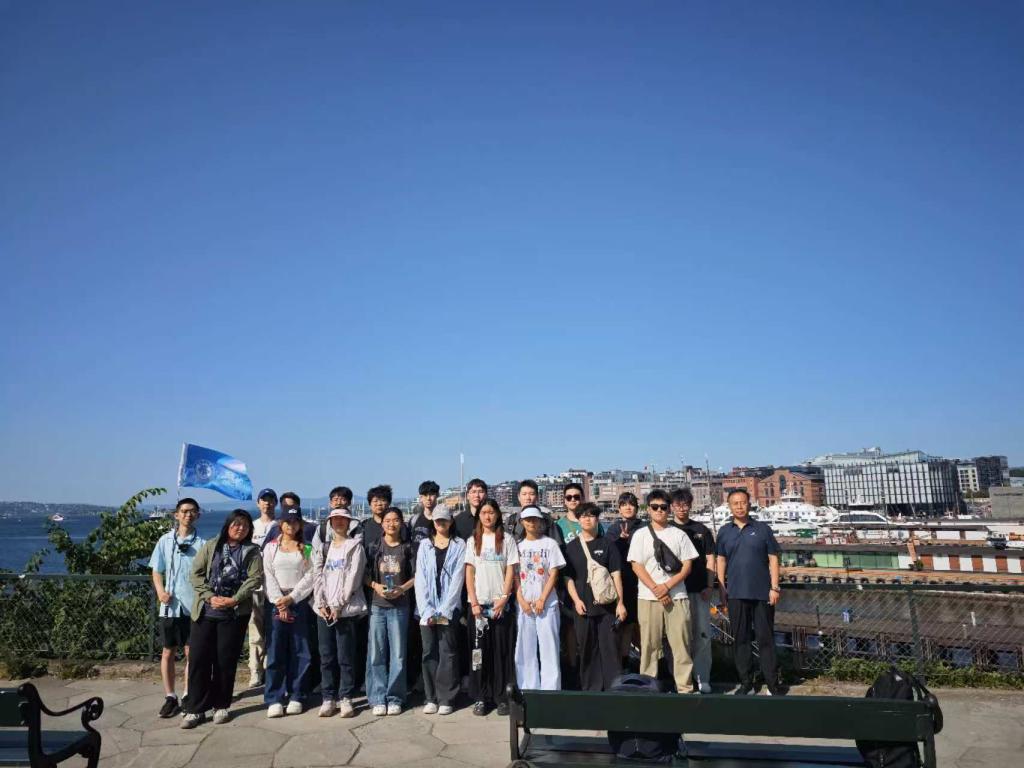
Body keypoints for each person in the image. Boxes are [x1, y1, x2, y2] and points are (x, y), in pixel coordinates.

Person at [181, 510, 263, 729]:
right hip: (205, 612)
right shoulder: (211, 546)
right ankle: (195, 709)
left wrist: (234, 599)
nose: (240, 528)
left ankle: (221, 705)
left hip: (234, 614)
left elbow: (255, 578)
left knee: (225, 661)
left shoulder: (252, 551)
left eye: (245, 525)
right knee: (198, 660)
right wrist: (210, 596)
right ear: (228, 525)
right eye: (236, 524)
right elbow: (196, 573)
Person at [627, 490, 699, 694]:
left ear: (669, 509)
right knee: (649, 645)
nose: (659, 510)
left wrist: (666, 586)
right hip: (648, 597)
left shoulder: (679, 534)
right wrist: (656, 588)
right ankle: (647, 686)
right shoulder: (640, 535)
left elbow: (687, 566)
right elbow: (636, 565)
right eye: (655, 507)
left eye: (663, 507)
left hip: (677, 596)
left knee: (681, 644)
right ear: (648, 510)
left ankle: (685, 687)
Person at [716, 488, 784, 696]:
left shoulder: (762, 529)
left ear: (749, 504)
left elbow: (773, 558)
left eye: (743, 502)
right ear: (729, 506)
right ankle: (746, 681)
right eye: (735, 503)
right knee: (741, 639)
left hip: (762, 592)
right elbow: (721, 560)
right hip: (736, 593)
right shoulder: (724, 531)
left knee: (766, 638)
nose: (739, 506)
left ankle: (772, 682)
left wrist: (774, 587)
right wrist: (721, 588)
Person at [149, 497, 205, 718]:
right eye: (184, 511)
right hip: (170, 606)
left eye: (192, 511)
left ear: (198, 515)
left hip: (193, 605)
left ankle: (188, 694)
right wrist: (160, 592)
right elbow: (156, 570)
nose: (187, 515)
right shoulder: (165, 541)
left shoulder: (202, 544)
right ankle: (170, 696)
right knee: (168, 651)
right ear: (176, 514)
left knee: (192, 652)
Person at [563, 502, 627, 691]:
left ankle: (613, 688)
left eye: (591, 516)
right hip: (583, 606)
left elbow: (616, 575)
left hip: (607, 607)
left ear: (597, 519)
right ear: (578, 520)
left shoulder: (608, 545)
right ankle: (590, 688)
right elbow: (568, 577)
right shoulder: (571, 547)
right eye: (583, 516)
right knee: (587, 648)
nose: (587, 519)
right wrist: (576, 601)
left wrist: (620, 603)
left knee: (610, 648)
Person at [464, 498, 517, 716]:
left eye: (491, 512)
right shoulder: (472, 540)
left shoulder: (507, 540)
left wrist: (504, 597)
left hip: (500, 606)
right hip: (479, 606)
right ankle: (480, 696)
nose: (488, 516)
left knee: (501, 652)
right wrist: (474, 602)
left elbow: (510, 570)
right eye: (484, 512)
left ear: (497, 515)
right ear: (479, 516)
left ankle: (501, 697)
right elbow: (469, 573)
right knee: (479, 654)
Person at [313, 506, 367, 718]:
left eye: (343, 519)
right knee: (326, 656)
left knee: (346, 656)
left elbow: (354, 578)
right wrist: (321, 603)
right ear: (329, 523)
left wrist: (338, 605)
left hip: (345, 611)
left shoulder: (355, 547)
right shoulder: (324, 548)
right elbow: (317, 575)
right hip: (324, 611)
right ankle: (328, 697)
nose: (339, 522)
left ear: (349, 522)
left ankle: (346, 696)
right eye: (334, 519)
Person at [262, 509, 315, 717]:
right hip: (275, 602)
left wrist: (292, 598)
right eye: (287, 521)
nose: (291, 526)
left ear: (300, 524)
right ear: (280, 523)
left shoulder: (307, 548)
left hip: (299, 601)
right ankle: (274, 697)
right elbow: (267, 574)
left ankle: (297, 695)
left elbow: (311, 575)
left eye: (295, 522)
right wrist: (280, 602)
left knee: (300, 650)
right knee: (275, 650)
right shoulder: (270, 547)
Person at [414, 507, 466, 715]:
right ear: (433, 522)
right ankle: (431, 697)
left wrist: (444, 609)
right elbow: (420, 578)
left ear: (451, 521)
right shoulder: (425, 545)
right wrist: (427, 609)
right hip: (426, 608)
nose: (441, 524)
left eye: (444, 520)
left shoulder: (459, 545)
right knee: (429, 652)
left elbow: (458, 578)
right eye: (437, 521)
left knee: (448, 652)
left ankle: (447, 697)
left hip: (449, 608)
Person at [365, 506, 416, 715]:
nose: (391, 524)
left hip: (400, 607)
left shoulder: (408, 548)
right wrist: (376, 586)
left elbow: (416, 575)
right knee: (376, 653)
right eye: (387, 520)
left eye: (395, 520)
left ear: (401, 522)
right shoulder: (374, 547)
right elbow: (365, 575)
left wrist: (402, 589)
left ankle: (395, 697)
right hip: (378, 606)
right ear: (382, 523)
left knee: (398, 654)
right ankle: (378, 697)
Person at [670, 488, 717, 693]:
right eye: (678, 505)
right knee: (678, 637)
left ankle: (703, 677)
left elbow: (710, 559)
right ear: (672, 507)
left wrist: (709, 585)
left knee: (702, 634)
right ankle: (681, 679)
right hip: (674, 591)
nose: (682, 509)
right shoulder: (667, 529)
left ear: (690, 506)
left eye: (685, 505)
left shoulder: (701, 530)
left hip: (699, 589)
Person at [514, 505, 565, 691]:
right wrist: (521, 600)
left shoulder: (550, 544)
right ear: (522, 522)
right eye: (527, 519)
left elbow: (554, 573)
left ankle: (551, 690)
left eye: (534, 519)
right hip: (525, 605)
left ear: (541, 521)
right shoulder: (517, 546)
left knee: (549, 648)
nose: (531, 522)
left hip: (547, 604)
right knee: (525, 649)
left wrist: (543, 598)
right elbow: (514, 576)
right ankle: (528, 688)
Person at [605, 492, 642, 667]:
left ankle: (646, 662)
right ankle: (621, 661)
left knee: (639, 624)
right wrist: (620, 540)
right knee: (624, 623)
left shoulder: (644, 527)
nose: (628, 507)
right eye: (624, 504)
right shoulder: (613, 529)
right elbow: (608, 554)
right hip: (622, 582)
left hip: (642, 582)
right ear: (619, 509)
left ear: (637, 507)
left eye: (631, 504)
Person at [247, 487, 277, 688]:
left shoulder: (280, 525)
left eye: (271, 499)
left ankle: (270, 666)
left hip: (274, 585)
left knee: (274, 628)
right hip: (255, 586)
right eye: (263, 499)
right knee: (255, 628)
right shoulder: (251, 526)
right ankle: (255, 669)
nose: (267, 503)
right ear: (258, 503)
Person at [361, 485, 409, 550]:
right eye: (375, 501)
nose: (379, 504)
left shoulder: (400, 526)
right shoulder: (364, 526)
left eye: (383, 500)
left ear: (389, 503)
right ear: (370, 504)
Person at [409, 480, 443, 547]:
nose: (428, 498)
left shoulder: (443, 520)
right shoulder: (414, 520)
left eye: (431, 494)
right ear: (420, 497)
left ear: (437, 495)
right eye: (425, 495)